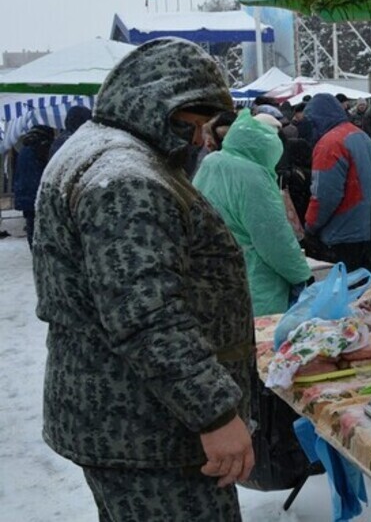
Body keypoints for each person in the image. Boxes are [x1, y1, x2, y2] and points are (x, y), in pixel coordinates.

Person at [33, 38, 255, 519]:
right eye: (188, 126)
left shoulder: (104, 152)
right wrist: (214, 413)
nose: (198, 141)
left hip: (129, 421)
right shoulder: (128, 178)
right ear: (154, 103)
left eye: (203, 128)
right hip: (150, 432)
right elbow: (148, 315)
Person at [194, 110, 312, 316]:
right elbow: (273, 239)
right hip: (255, 287)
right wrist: (301, 274)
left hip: (212, 278)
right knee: (262, 343)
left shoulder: (211, 163)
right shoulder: (253, 177)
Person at [304, 93, 371, 272]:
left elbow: (324, 194)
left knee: (343, 293)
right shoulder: (361, 135)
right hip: (368, 229)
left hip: (341, 234)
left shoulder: (329, 144)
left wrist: (310, 226)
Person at [13, 123, 55, 249]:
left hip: (24, 193)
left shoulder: (24, 149)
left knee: (31, 225)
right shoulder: (41, 147)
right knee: (42, 227)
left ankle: (34, 249)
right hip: (37, 194)